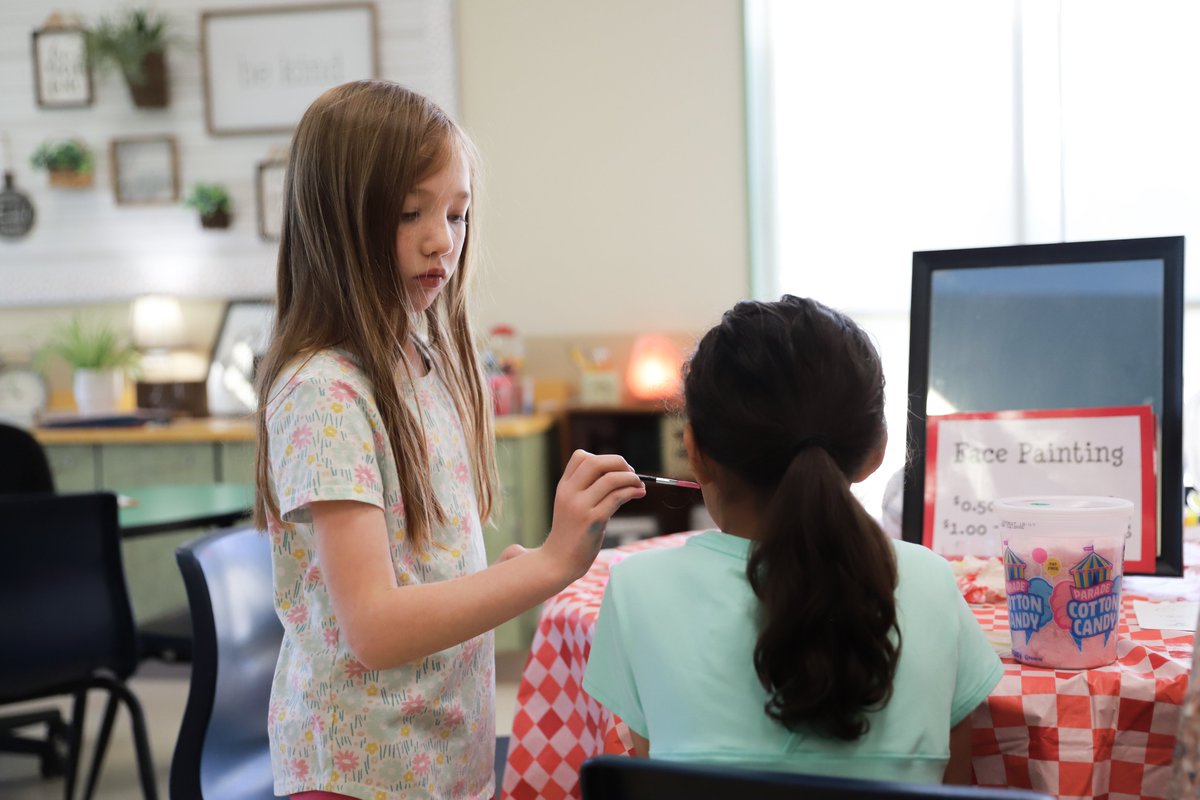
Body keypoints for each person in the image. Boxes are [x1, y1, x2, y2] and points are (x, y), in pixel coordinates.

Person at [253, 80, 646, 800]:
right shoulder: (324, 392)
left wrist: (513, 572)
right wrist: (549, 566)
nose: (443, 239)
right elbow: (373, 627)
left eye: (457, 213)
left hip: (442, 757)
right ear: (338, 222)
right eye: (410, 213)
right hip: (360, 774)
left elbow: (420, 572)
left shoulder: (423, 364)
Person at [583, 295, 1003, 785]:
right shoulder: (930, 581)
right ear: (876, 451)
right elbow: (955, 782)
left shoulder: (638, 592)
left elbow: (658, 775)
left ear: (694, 452)